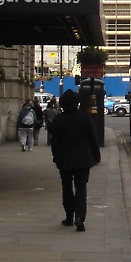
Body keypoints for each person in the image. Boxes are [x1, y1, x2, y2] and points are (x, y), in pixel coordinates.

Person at [49, 89, 101, 232]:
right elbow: (93, 139)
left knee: (66, 188)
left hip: (65, 160)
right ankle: (80, 217)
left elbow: (55, 143)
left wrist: (56, 158)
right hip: (83, 159)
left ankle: (69, 216)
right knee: (81, 188)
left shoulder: (59, 120)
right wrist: (97, 156)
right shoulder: (85, 118)